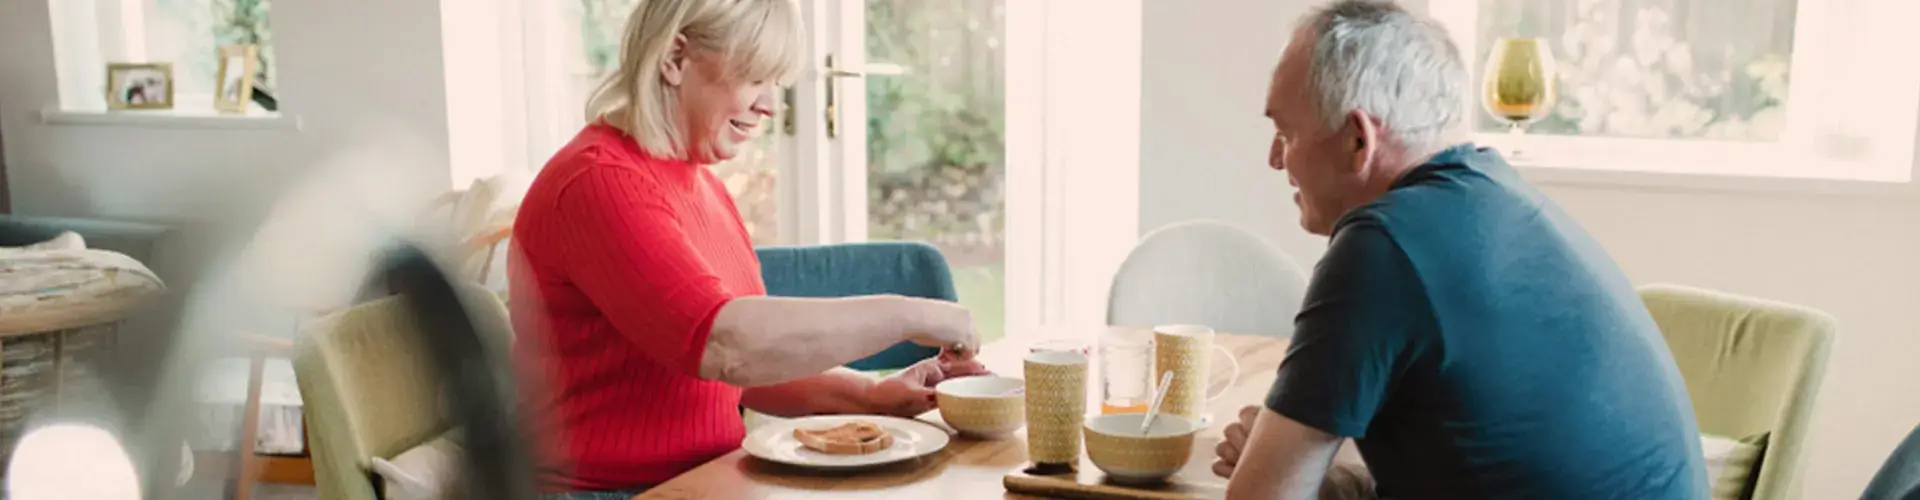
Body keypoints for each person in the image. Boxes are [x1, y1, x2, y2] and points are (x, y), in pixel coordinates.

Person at [1210, 1, 1708, 499]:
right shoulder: (1500, 196)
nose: (1275, 160)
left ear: (1358, 141)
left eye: (1284, 133)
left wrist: (1273, 461)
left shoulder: (1382, 247)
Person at [508, 1, 986, 498]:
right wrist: (909, 315)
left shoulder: (699, 185)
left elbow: (741, 373)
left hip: (706, 481)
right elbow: (726, 347)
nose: (768, 106)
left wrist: (872, 394)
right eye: (755, 78)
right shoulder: (598, 183)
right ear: (674, 59)